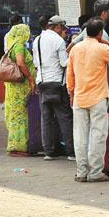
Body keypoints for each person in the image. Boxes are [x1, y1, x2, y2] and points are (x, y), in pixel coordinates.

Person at [67, 18, 109, 182]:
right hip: (98, 98)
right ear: (100, 33)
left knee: (80, 135)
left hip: (79, 96)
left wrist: (71, 94)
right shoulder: (102, 48)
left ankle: (81, 172)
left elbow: (70, 76)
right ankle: (95, 172)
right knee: (98, 136)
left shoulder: (75, 49)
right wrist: (108, 44)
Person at [32, 15, 74, 161]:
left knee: (46, 118)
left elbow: (36, 63)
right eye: (62, 28)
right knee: (64, 118)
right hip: (57, 83)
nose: (63, 30)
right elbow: (64, 63)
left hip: (42, 82)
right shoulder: (58, 41)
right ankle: (70, 151)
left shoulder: (37, 40)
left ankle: (48, 151)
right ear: (56, 27)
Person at [4, 24, 37, 156]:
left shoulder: (11, 45)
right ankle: (18, 147)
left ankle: (16, 146)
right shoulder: (19, 46)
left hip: (14, 87)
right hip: (20, 88)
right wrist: (30, 78)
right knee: (20, 117)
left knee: (16, 115)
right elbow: (20, 62)